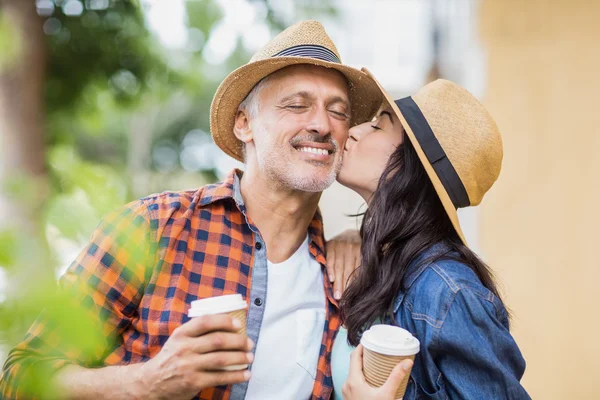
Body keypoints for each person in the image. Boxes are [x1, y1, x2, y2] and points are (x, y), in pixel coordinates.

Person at [0, 21, 381, 400]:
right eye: (297, 105)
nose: (321, 124)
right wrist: (146, 383)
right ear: (244, 124)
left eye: (339, 112)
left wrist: (355, 238)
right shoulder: (151, 229)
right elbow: (22, 377)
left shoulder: (348, 276)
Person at [331, 71, 531, 399]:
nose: (352, 132)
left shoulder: (449, 292)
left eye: (379, 125)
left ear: (413, 168)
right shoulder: (381, 266)